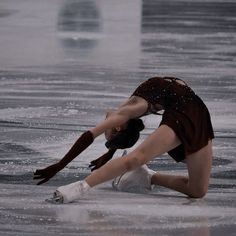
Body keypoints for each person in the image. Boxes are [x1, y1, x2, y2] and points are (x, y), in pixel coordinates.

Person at [34, 76, 214, 203]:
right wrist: (109, 153)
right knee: (136, 159)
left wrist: (60, 165)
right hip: (187, 111)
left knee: (197, 190)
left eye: (109, 136)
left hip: (195, 111)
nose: (106, 129)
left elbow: (89, 135)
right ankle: (81, 187)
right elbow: (101, 134)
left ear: (118, 127)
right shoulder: (127, 114)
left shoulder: (126, 114)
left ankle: (146, 176)